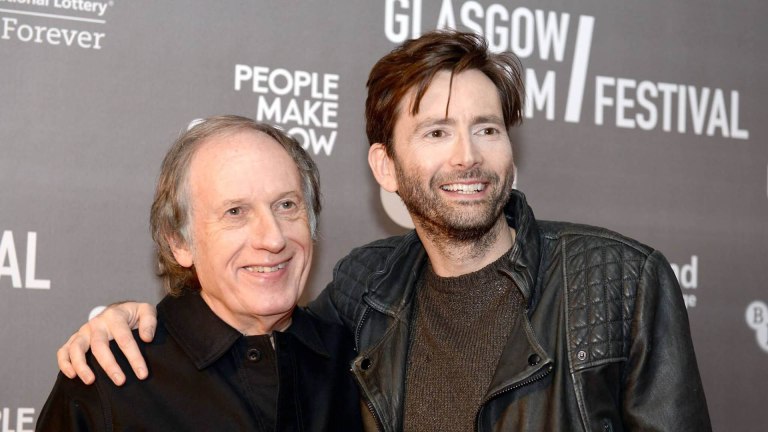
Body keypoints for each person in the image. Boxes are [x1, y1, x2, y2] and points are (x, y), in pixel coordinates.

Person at [56, 31, 711, 431]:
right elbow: (238, 314)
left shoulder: (620, 282)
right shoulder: (367, 297)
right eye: (435, 132)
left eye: (486, 128)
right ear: (386, 167)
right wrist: (126, 320)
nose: (467, 157)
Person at [38, 116, 363, 431]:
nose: (273, 238)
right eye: (235, 212)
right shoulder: (112, 379)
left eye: (286, 206)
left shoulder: (358, 363)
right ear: (179, 241)